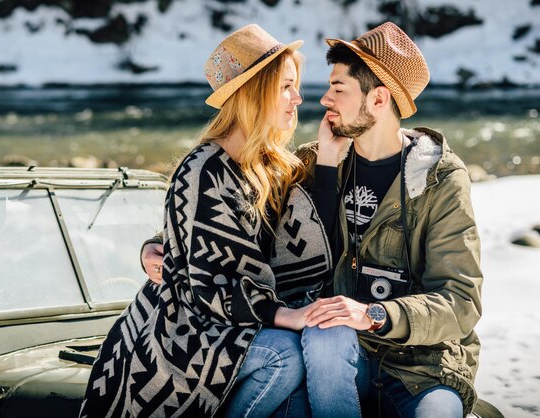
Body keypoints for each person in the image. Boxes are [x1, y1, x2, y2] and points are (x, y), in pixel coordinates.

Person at [143, 22, 484, 418]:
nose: (322, 99)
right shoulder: (312, 161)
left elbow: (460, 302)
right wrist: (158, 245)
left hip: (420, 370)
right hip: (332, 354)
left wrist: (374, 315)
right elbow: (230, 221)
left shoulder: (438, 180)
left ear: (378, 100)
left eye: (338, 89)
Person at [80, 24, 335, 418]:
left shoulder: (275, 167)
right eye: (286, 87)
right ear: (254, 92)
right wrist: (284, 315)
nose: (298, 98)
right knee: (285, 356)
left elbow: (291, 238)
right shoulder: (202, 169)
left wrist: (332, 154)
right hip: (184, 327)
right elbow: (211, 279)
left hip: (234, 319)